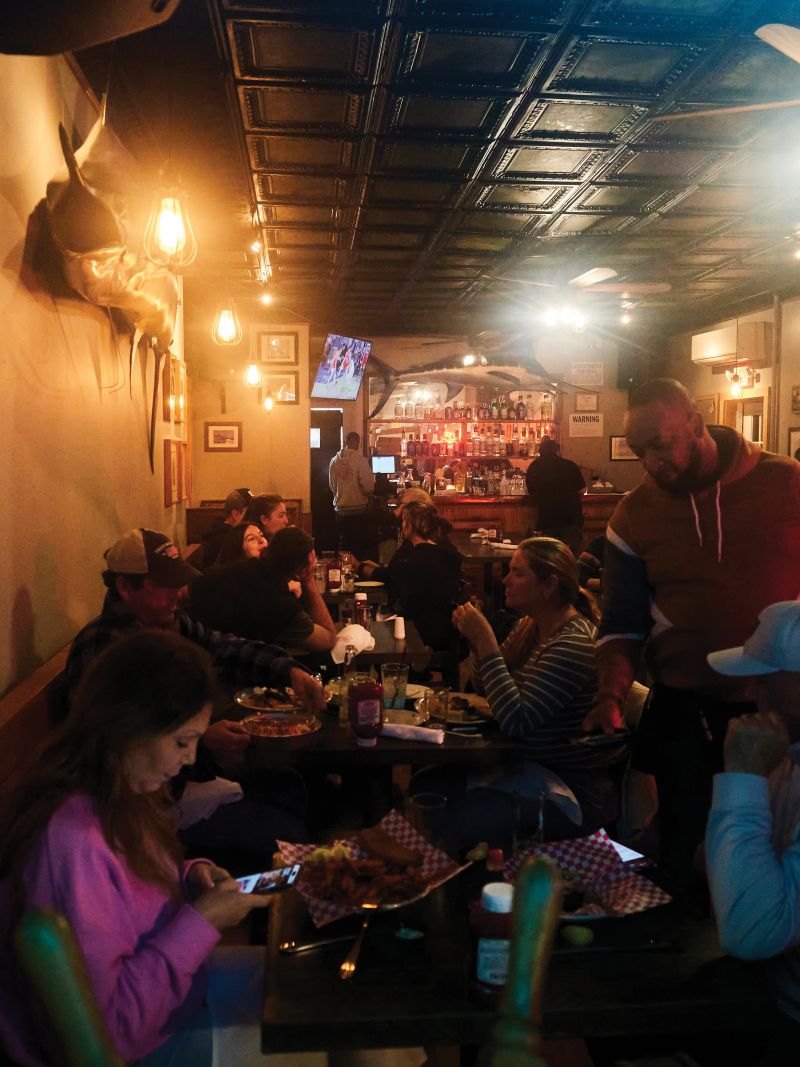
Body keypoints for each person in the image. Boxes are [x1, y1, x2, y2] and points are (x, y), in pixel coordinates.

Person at [0, 630, 272, 1066]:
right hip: (141, 1047)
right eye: (183, 741)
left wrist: (191, 877)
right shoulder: (72, 841)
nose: (189, 758)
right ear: (128, 727)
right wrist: (201, 922)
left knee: (316, 988)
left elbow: (138, 889)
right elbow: (111, 1033)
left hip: (173, 999)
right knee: (330, 1037)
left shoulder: (121, 791)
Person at [584, 378, 800, 894]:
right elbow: (621, 624)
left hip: (785, 704)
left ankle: (767, 950)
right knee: (683, 850)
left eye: (659, 444)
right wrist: (610, 695)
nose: (650, 463)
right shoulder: (635, 514)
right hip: (685, 705)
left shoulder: (787, 483)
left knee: (776, 844)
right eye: (639, 452)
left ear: (696, 423)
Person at [65, 528, 324, 857]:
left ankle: (283, 893)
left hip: (184, 781)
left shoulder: (166, 622)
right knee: (287, 831)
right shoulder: (106, 648)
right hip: (139, 809)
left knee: (290, 785)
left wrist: (288, 670)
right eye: (165, 586)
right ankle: (251, 899)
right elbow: (112, 745)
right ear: (124, 587)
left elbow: (222, 646)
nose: (177, 594)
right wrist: (201, 740)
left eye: (178, 584)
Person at [438, 537, 623, 846]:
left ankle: (477, 886)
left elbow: (515, 721)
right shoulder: (531, 626)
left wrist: (486, 641)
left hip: (569, 791)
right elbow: (489, 692)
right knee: (429, 785)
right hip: (527, 769)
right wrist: (477, 643)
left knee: (451, 810)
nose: (505, 580)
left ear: (549, 585)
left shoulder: (572, 642)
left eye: (517, 573)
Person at [705, 602, 800, 1060]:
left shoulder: (770, 758)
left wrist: (742, 775)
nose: (749, 689)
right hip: (767, 994)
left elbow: (751, 931)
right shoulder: (788, 755)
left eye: (763, 679)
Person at [188, 527, 336, 652]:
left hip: (194, 658)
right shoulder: (282, 605)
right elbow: (328, 639)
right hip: (238, 674)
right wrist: (308, 578)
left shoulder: (218, 573)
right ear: (310, 561)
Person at [360, 501, 463, 651]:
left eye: (403, 521)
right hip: (447, 630)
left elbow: (402, 596)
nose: (401, 525)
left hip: (421, 633)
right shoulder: (443, 553)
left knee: (370, 634)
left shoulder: (416, 559)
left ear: (409, 526)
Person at [525, 438, 585, 554]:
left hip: (547, 519)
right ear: (557, 451)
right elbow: (582, 490)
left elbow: (531, 492)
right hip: (571, 518)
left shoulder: (534, 467)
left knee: (549, 555)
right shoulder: (569, 465)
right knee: (570, 555)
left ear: (540, 451)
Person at [328, 432, 375, 559]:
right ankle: (357, 575)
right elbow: (369, 487)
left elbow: (332, 486)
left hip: (339, 511)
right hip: (358, 512)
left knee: (343, 546)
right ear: (358, 443)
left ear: (346, 442)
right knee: (358, 548)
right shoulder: (360, 460)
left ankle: (343, 574)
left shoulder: (334, 461)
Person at [198, 488, 251, 571]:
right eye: (249, 512)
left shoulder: (233, 532)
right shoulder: (223, 539)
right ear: (236, 514)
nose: (254, 515)